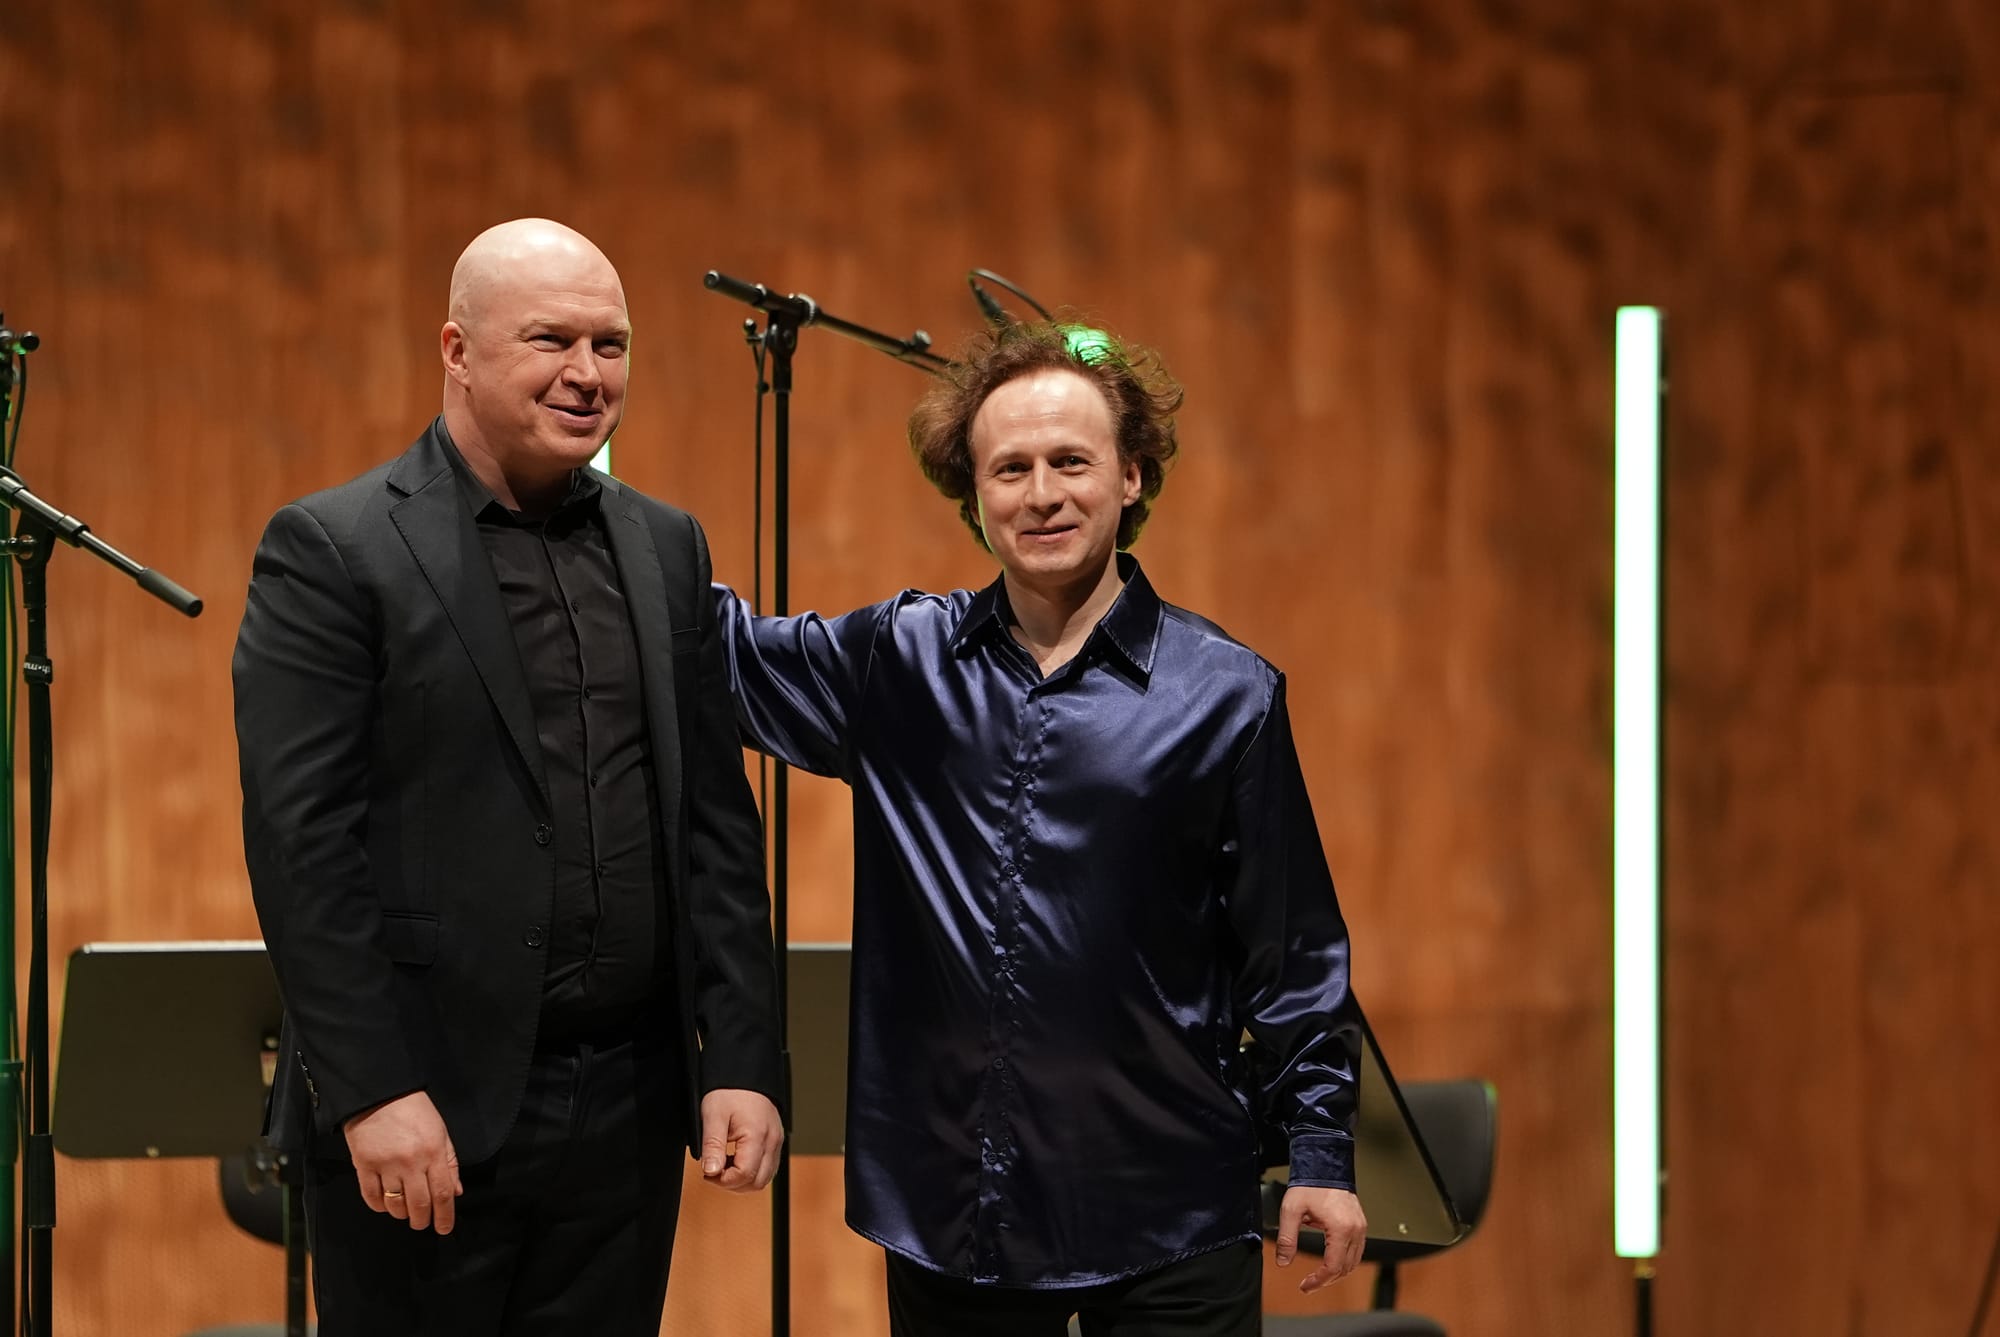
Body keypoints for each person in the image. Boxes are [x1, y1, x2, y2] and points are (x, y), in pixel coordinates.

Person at [714, 321, 1366, 1336]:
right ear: (973, 494)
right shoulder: (897, 661)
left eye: (1071, 461)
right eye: (1009, 468)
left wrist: (1321, 1150)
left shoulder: (1227, 695)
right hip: (954, 1210)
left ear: (1131, 475)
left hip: (1171, 1208)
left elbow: (1292, 953)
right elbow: (711, 650)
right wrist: (584, 499)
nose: (1042, 493)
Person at [234, 218, 784, 1337]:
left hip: (627, 1111)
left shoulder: (667, 544)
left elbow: (713, 825)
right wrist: (374, 1090)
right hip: (428, 1107)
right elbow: (302, 847)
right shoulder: (335, 548)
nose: (588, 374)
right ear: (458, 349)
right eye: (550, 340)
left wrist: (741, 1054)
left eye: (610, 344)